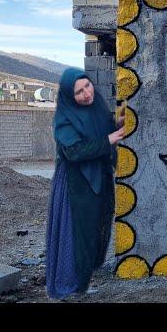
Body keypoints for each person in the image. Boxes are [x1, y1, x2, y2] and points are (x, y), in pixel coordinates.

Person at [46, 68, 125, 300]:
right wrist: (110, 139)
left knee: (93, 231)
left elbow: (103, 131)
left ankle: (82, 280)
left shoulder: (97, 107)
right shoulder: (64, 117)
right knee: (77, 234)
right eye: (79, 92)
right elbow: (74, 151)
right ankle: (70, 284)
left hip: (97, 178)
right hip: (75, 184)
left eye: (87, 86)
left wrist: (117, 124)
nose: (86, 94)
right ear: (70, 97)